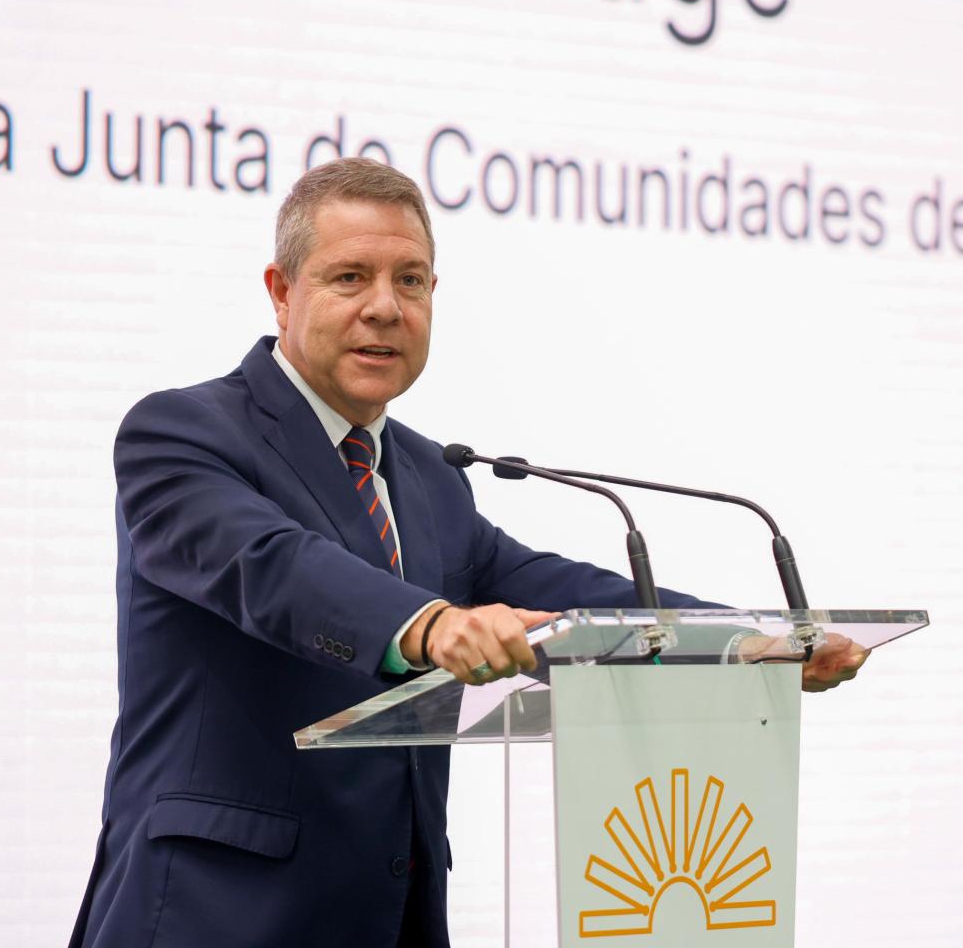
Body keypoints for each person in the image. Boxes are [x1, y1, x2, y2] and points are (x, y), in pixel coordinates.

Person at [68, 157, 865, 948]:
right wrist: (429, 624)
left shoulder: (429, 475)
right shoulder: (181, 433)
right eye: (350, 278)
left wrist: (744, 644)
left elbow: (553, 590)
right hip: (212, 915)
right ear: (282, 291)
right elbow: (273, 566)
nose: (385, 307)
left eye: (410, 281)